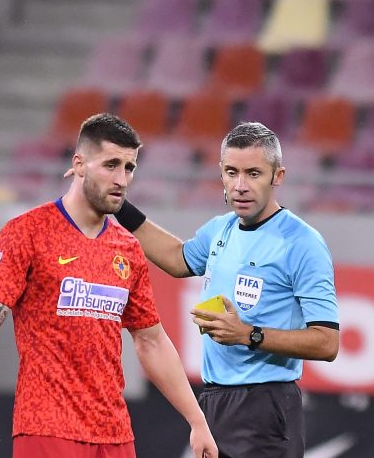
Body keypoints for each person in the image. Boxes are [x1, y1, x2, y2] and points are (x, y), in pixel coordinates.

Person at [0, 113, 217, 457]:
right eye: (111, 165)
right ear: (79, 164)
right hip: (47, 429)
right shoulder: (27, 233)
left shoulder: (128, 248)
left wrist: (197, 421)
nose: (121, 179)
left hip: (114, 434)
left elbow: (151, 341)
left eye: (129, 167)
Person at [108, 122, 340, 458]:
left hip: (265, 405)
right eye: (232, 173)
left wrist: (248, 335)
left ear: (277, 176)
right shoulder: (221, 229)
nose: (240, 186)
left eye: (253, 174)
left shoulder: (302, 242)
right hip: (215, 402)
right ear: (221, 173)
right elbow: (177, 259)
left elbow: (327, 342)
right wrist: (119, 207)